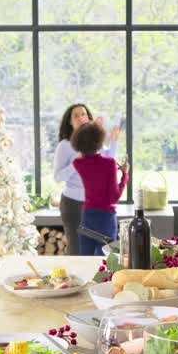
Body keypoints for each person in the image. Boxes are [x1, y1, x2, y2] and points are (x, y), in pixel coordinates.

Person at [53, 103, 120, 255]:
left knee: (104, 251)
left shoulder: (94, 141)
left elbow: (108, 159)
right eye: (75, 115)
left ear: (88, 118)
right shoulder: (64, 146)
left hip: (97, 205)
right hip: (73, 204)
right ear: (70, 122)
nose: (81, 117)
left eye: (83, 114)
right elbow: (58, 177)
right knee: (78, 250)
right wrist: (77, 162)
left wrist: (114, 141)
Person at [71, 121, 129, 256]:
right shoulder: (109, 163)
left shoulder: (78, 163)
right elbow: (114, 197)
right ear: (99, 140)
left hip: (87, 217)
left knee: (85, 259)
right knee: (107, 261)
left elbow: (88, 160)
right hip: (106, 219)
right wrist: (125, 175)